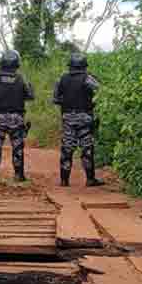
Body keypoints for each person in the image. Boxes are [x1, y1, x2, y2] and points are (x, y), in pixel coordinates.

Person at [0, 50, 34, 182]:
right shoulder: (21, 79)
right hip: (17, 119)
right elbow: (30, 96)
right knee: (18, 147)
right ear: (17, 63)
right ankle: (19, 175)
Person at [53, 52, 105, 187]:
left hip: (68, 117)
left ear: (70, 65)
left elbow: (56, 99)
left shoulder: (62, 79)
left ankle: (64, 181)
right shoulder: (88, 79)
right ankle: (90, 179)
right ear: (84, 65)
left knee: (67, 148)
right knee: (87, 148)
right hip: (85, 118)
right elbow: (101, 92)